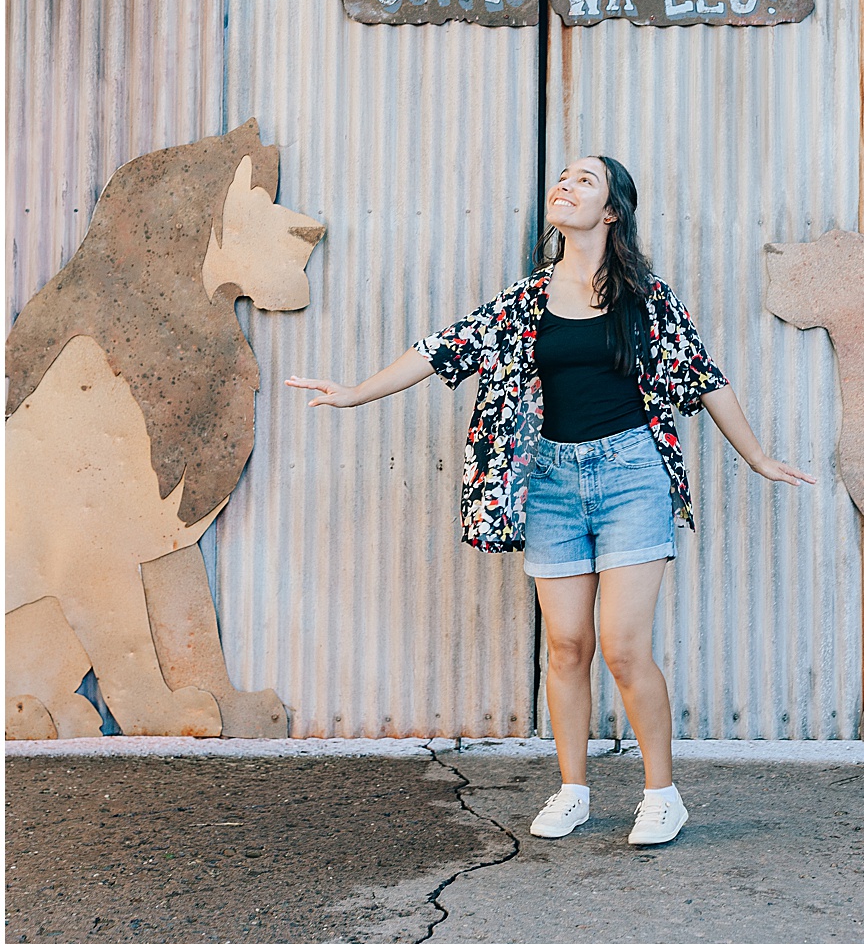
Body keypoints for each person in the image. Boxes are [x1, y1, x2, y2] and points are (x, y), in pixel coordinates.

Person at [288, 154, 813, 847]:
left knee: (624, 648)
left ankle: (663, 794)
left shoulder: (647, 299)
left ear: (613, 211)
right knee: (566, 646)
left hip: (632, 475)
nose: (565, 185)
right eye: (563, 177)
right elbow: (444, 347)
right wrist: (355, 391)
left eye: (584, 180)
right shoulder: (525, 299)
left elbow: (704, 376)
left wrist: (757, 455)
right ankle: (573, 789)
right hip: (553, 485)